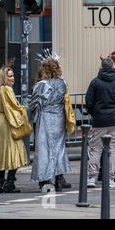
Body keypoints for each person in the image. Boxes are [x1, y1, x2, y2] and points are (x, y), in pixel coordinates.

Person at [30, 52, 73, 192]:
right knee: (59, 148)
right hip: (59, 118)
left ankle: (45, 180)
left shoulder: (41, 85)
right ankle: (59, 179)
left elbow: (34, 103)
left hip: (45, 119)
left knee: (44, 149)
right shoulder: (63, 83)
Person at [86, 57, 115, 188]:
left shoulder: (95, 82)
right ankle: (111, 178)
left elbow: (89, 102)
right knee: (114, 148)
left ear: (101, 67)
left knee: (96, 148)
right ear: (113, 67)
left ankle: (92, 178)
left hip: (99, 120)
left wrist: (95, 113)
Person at [0, 65, 29, 193]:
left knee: (1, 153)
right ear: (4, 77)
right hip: (7, 122)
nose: (13, 78)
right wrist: (23, 111)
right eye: (10, 76)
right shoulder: (6, 89)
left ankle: (0, 184)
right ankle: (9, 183)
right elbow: (12, 108)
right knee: (16, 151)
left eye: (13, 75)